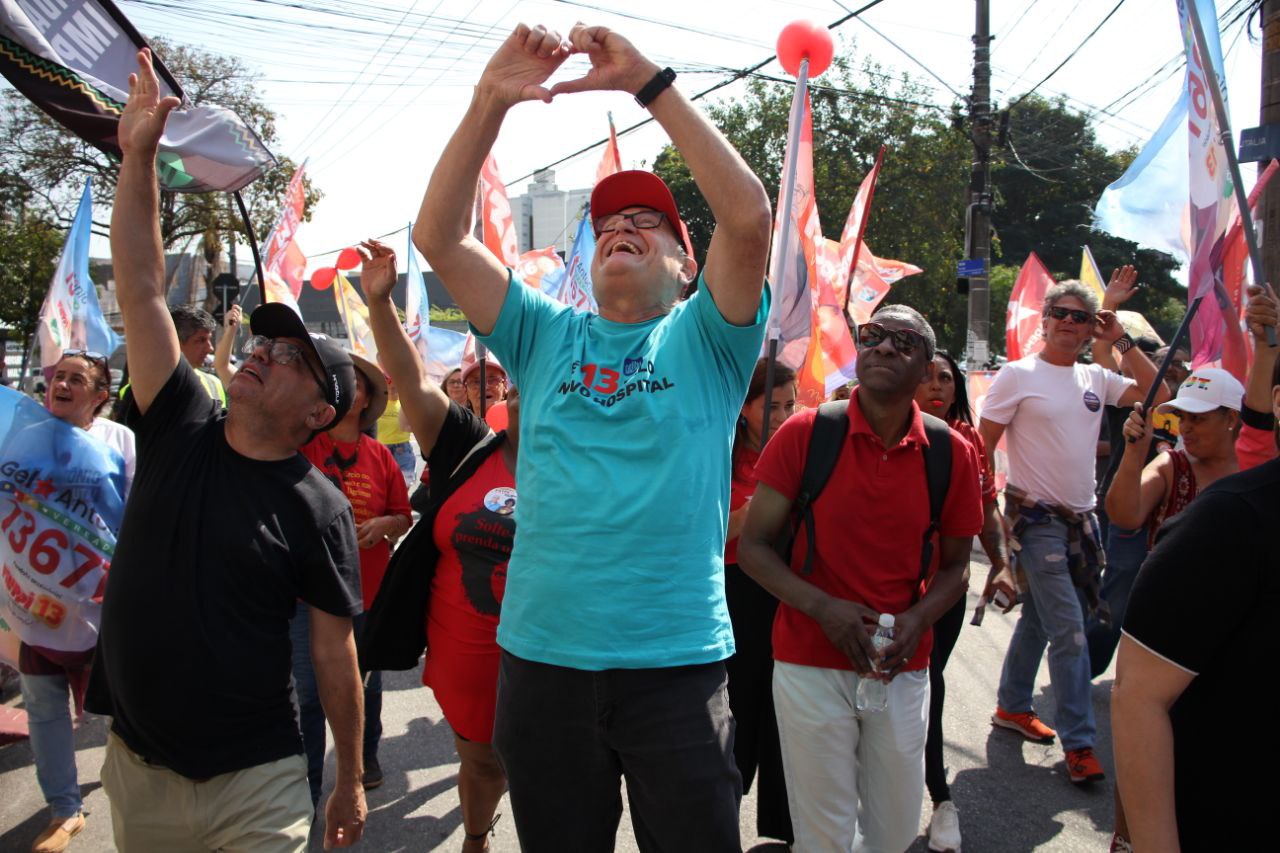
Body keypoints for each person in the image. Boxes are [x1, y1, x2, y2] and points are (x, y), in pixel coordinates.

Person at [414, 22, 771, 851]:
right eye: (609, 220)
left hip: (676, 668)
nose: (622, 227)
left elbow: (748, 214)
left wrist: (646, 80)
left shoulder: (708, 340)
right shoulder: (543, 336)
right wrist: (489, 103)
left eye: (650, 220)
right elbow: (440, 236)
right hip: (541, 666)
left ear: (688, 265)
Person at [83, 49, 367, 851]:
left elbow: (334, 655)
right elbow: (140, 285)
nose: (261, 353)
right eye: (263, 344)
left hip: (260, 780)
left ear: (319, 412)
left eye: (288, 359)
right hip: (139, 774)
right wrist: (136, 157)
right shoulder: (176, 418)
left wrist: (346, 778)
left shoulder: (320, 508)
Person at [737, 306, 981, 852]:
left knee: (893, 833)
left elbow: (956, 568)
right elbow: (753, 549)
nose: (886, 347)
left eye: (905, 341)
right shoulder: (806, 433)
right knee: (823, 834)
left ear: (926, 370)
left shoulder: (950, 452)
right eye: (874, 336)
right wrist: (823, 608)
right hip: (806, 664)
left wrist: (917, 621)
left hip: (900, 669)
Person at [978, 279, 1167, 785]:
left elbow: (1160, 393)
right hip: (1035, 522)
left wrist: (1121, 337)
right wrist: (988, 518)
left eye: (1080, 317)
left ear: (1090, 330)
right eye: (1060, 312)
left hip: (1082, 525)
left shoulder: (1096, 377)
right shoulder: (1016, 375)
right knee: (1070, 632)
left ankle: (1012, 706)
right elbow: (981, 448)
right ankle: (1080, 742)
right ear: (1044, 319)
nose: (1069, 321)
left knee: (1040, 621)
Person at [358, 238, 514, 851]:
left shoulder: (586, 462)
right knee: (483, 764)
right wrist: (379, 302)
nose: (519, 389)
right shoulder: (466, 447)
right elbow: (410, 377)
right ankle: (476, 837)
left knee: (554, 773)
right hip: (467, 650)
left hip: (556, 654)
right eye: (511, 382)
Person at [1110, 355, 1280, 849]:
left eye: (1199, 418)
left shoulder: (1258, 478)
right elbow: (1124, 514)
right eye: (1183, 417)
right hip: (1162, 644)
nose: (1187, 428)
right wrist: (1133, 453)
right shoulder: (1179, 468)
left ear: (1233, 419)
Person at [16, 351, 134, 853]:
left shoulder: (119, 440)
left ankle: (138, 795)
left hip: (99, 609)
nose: (61, 384)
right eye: (57, 376)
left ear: (100, 395)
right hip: (35, 602)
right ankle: (65, 808)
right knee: (43, 708)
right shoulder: (21, 437)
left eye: (76, 379)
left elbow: (133, 513)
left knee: (119, 711)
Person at [295, 351, 412, 801]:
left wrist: (383, 525)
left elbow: (403, 516)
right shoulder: (303, 446)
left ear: (366, 400)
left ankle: (366, 757)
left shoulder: (381, 456)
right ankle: (307, 778)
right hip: (308, 595)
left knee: (365, 683)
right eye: (338, 381)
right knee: (307, 692)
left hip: (368, 592)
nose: (347, 389)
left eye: (357, 384)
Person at [914, 349, 1012, 853]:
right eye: (927, 376)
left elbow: (987, 507)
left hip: (943, 592)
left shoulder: (969, 442)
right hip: (877, 590)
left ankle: (940, 799)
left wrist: (1001, 562)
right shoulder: (873, 431)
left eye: (946, 378)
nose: (937, 385)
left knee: (926, 684)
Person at [723, 358, 797, 847]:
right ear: (744, 408)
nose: (783, 415)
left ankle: (784, 830)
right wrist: (763, 500)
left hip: (787, 601)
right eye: (772, 404)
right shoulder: (718, 455)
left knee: (785, 722)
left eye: (791, 405)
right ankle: (719, 820)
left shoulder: (802, 452)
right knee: (732, 722)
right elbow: (717, 533)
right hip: (733, 601)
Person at [377, 377, 417, 487]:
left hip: (402, 449)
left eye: (395, 382)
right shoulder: (378, 403)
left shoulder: (406, 403)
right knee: (381, 484)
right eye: (388, 382)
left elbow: (414, 425)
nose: (392, 386)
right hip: (380, 449)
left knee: (405, 484)